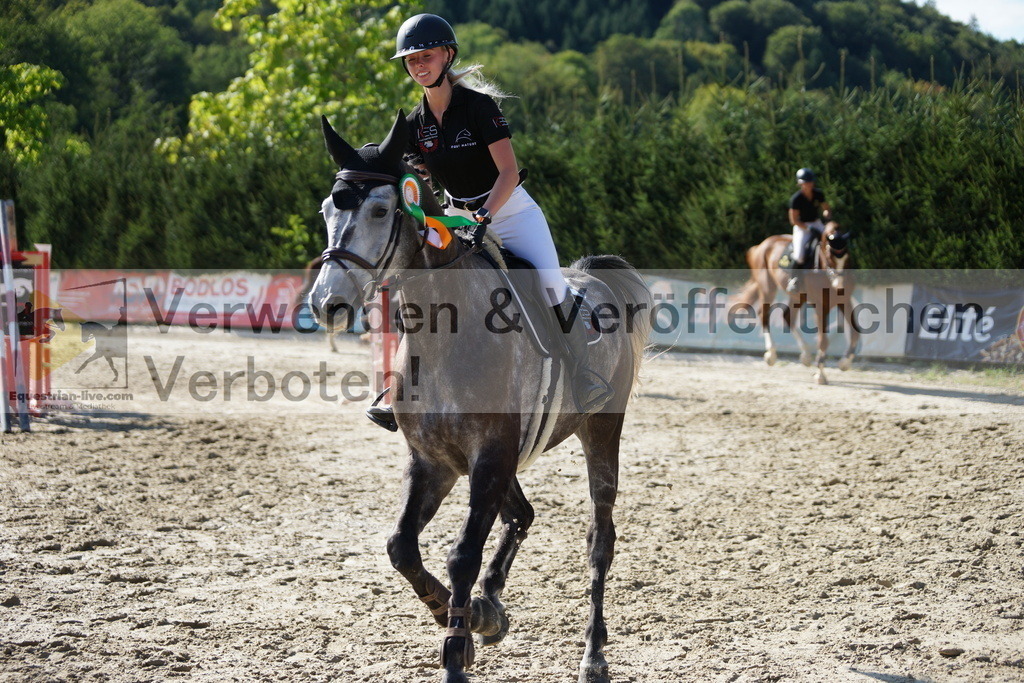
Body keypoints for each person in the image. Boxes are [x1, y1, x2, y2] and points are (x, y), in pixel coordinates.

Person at [366, 13, 610, 431]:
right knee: (424, 292)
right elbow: (416, 177)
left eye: (426, 56)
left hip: (510, 210)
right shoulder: (414, 124)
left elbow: (509, 173)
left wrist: (484, 216)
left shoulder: (479, 107)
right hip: (457, 214)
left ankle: (585, 376)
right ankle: (403, 390)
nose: (419, 66)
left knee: (549, 284)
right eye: (411, 61)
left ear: (447, 55)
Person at [786, 167, 832, 292]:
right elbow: (794, 220)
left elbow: (826, 207)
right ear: (800, 183)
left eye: (810, 181)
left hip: (816, 223)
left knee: (832, 241)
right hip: (802, 226)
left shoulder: (818, 194)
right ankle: (793, 279)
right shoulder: (796, 199)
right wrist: (807, 228)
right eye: (806, 182)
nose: (809, 184)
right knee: (799, 255)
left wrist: (827, 213)